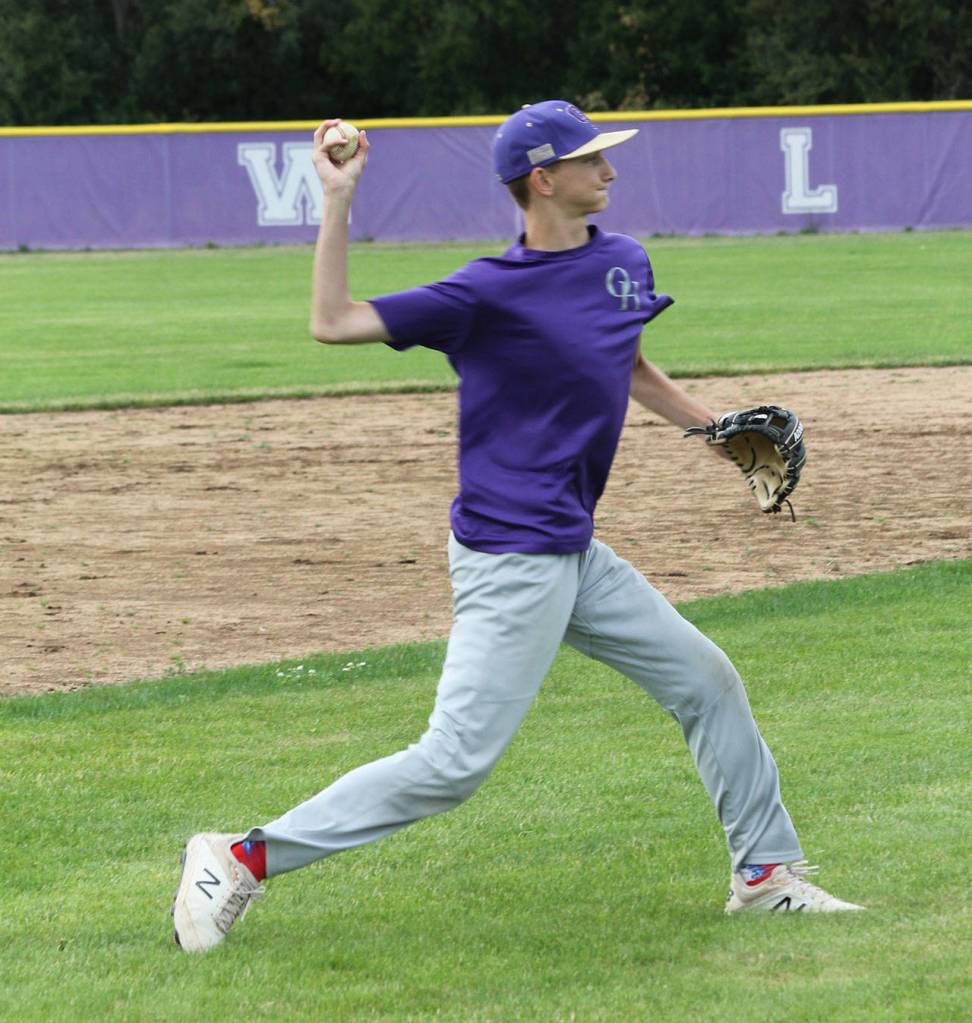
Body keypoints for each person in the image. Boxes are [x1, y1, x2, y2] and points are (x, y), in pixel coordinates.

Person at [172, 101, 863, 952]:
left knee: (707, 681)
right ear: (543, 179)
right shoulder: (481, 295)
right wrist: (338, 195)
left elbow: (631, 362)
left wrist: (713, 430)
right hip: (510, 558)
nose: (608, 170)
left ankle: (766, 876)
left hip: (574, 549)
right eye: (591, 159)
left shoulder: (621, 262)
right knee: (452, 763)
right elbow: (334, 320)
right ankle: (239, 856)